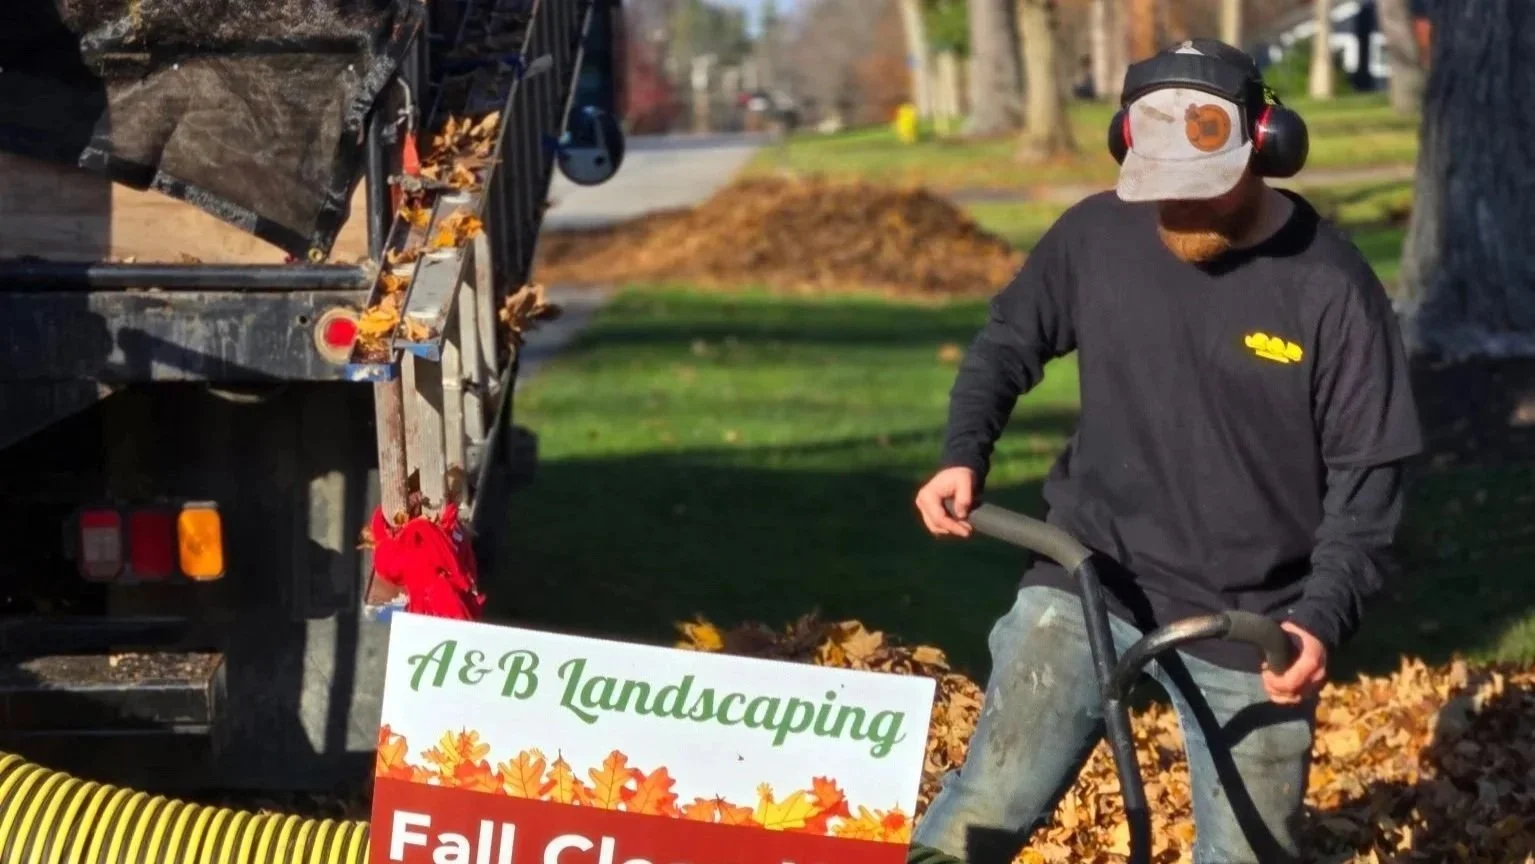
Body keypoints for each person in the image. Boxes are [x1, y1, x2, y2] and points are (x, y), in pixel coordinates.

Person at [911, 39, 1424, 864]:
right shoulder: (1093, 237)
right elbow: (1008, 341)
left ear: (1266, 145)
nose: (1176, 207)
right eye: (1159, 187)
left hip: (1250, 618)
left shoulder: (1330, 289)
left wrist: (1318, 619)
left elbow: (1370, 474)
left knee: (1245, 853)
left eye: (1201, 186)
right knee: (984, 806)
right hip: (1088, 572)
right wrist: (961, 452)